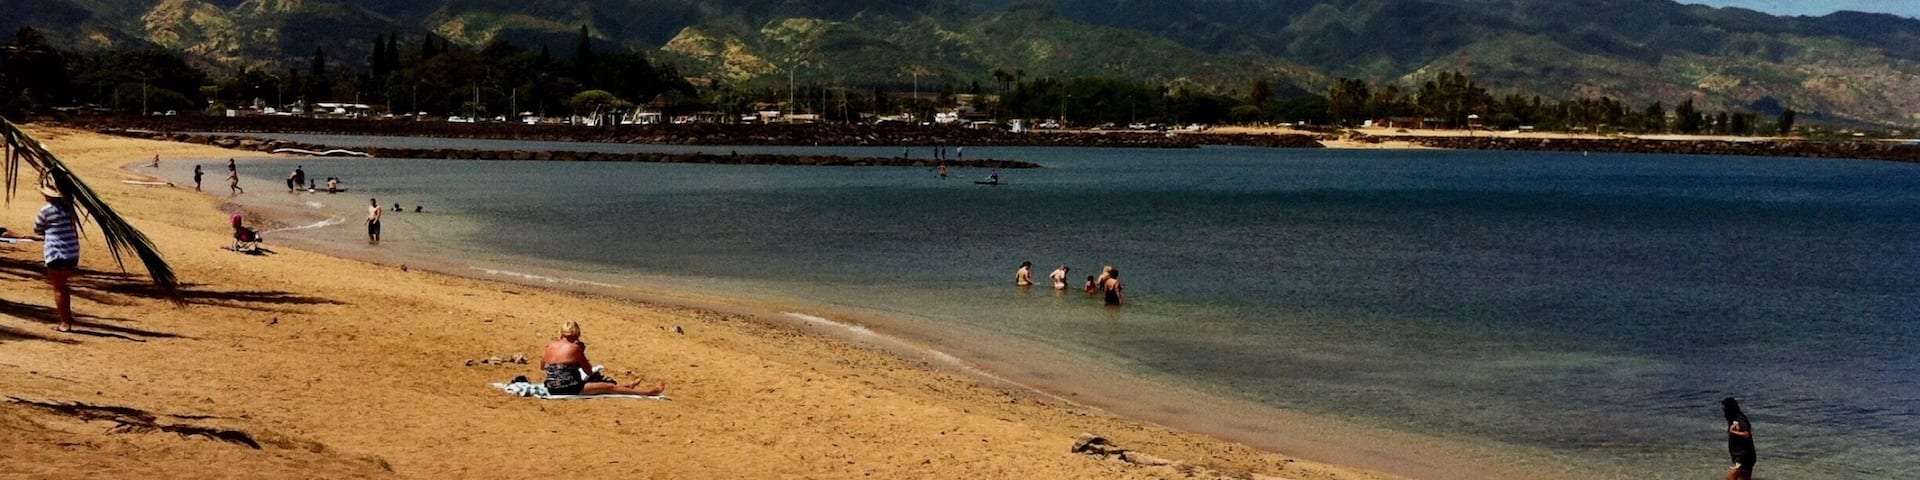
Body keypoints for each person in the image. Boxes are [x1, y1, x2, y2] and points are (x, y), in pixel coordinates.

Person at [543, 321, 665, 396]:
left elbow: (542, 366)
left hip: (551, 387)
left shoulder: (550, 346)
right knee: (610, 388)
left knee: (602, 386)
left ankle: (627, 385)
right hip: (568, 388)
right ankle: (648, 392)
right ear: (577, 334)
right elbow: (589, 371)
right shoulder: (575, 348)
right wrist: (581, 353)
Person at [33, 180, 79, 332]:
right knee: (64, 286)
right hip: (72, 254)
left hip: (56, 254)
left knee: (59, 288)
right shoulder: (69, 209)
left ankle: (65, 323)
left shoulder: (46, 210)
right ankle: (66, 316)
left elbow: (37, 228)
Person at [1723, 397, 1756, 480]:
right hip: (1746, 455)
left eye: (1724, 408)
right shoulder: (1734, 418)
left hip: (1743, 456)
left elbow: (1746, 434)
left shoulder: (1739, 419)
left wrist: (1732, 432)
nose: (1723, 410)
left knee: (1730, 478)